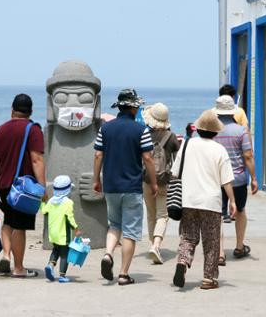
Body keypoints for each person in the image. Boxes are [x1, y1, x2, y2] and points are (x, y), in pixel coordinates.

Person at [92, 88, 158, 285]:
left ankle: (107, 253)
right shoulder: (141, 130)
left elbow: (98, 155)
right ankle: (123, 274)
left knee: (114, 224)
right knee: (130, 231)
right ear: (133, 107)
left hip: (111, 185)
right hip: (132, 187)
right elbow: (147, 157)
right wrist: (154, 182)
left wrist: (96, 179)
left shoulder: (106, 128)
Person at [0, 93, 46, 278]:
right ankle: (19, 268)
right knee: (20, 226)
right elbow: (37, 159)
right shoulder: (33, 130)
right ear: (30, 111)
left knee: (9, 220)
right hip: (24, 188)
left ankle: (6, 255)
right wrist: (42, 187)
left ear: (12, 110)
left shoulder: (0, 130)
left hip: (4, 185)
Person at [171, 110, 236, 290]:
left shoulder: (186, 145)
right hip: (211, 202)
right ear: (215, 132)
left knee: (188, 237)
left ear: (198, 129)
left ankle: (183, 262)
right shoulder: (219, 150)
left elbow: (175, 172)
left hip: (188, 200)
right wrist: (232, 201)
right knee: (211, 241)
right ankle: (208, 278)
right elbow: (226, 180)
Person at [214, 95, 258, 264]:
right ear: (233, 111)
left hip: (217, 179)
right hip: (238, 179)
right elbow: (248, 156)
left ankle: (219, 253)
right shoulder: (241, 131)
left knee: (217, 215)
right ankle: (239, 247)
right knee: (240, 210)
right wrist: (253, 178)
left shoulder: (211, 131)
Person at [141, 103, 180, 264]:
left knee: (151, 215)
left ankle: (153, 245)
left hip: (146, 180)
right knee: (162, 215)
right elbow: (177, 159)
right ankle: (156, 245)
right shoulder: (170, 136)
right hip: (163, 180)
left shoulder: (144, 134)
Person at [41, 175, 81, 283]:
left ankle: (50, 265)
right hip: (63, 235)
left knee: (56, 250)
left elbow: (44, 211)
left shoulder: (51, 201)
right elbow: (69, 218)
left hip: (53, 234)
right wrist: (76, 228)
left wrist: (42, 202)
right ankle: (62, 276)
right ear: (67, 191)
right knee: (65, 254)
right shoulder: (68, 203)